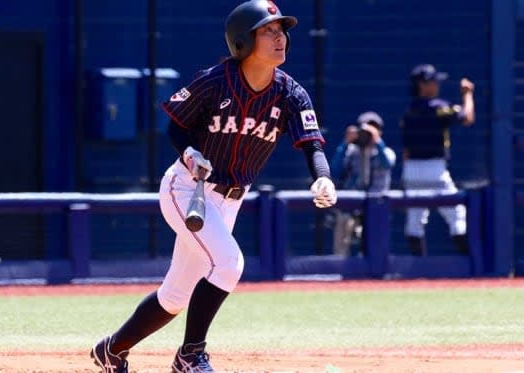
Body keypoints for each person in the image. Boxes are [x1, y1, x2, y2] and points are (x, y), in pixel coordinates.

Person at [90, 1, 337, 372]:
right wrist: (189, 152)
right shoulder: (216, 80)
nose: (279, 36)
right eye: (268, 30)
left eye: (281, 30)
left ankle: (112, 349)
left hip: (231, 200)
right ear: (243, 40)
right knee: (229, 263)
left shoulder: (291, 94)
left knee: (175, 296)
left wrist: (322, 175)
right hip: (188, 190)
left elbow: (312, 143)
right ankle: (190, 355)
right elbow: (175, 124)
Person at [401, 64, 475, 256]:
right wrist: (467, 94)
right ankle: (468, 265)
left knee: (415, 219)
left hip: (411, 168)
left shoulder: (409, 110)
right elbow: (467, 118)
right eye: (432, 81)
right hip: (434, 167)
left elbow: (406, 149)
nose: (436, 84)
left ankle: (418, 269)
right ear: (422, 84)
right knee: (456, 212)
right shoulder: (438, 107)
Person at [330, 112, 396, 257]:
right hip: (352, 204)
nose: (368, 134)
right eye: (365, 130)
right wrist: (345, 143)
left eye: (373, 129)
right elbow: (335, 170)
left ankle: (375, 275)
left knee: (374, 247)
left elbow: (386, 163)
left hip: (376, 205)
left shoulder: (386, 152)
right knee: (342, 229)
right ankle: (339, 269)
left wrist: (377, 141)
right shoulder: (351, 151)